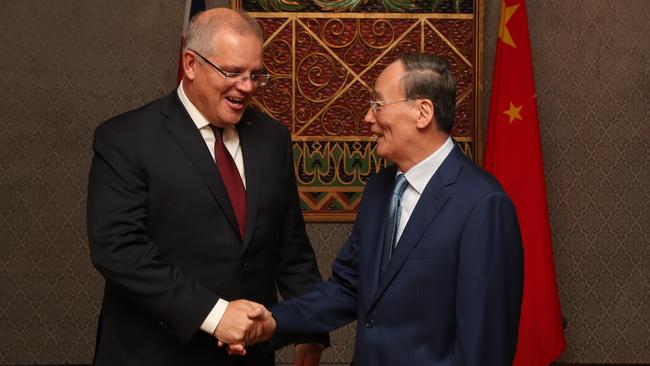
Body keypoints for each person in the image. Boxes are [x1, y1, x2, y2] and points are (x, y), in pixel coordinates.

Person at [239, 53, 525, 365]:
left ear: (422, 112)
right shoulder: (379, 189)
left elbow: (484, 349)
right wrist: (273, 322)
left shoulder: (483, 205)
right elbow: (348, 288)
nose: (367, 118)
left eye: (377, 105)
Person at [87, 8, 327, 366]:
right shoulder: (126, 138)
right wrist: (215, 315)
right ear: (190, 64)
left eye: (255, 74)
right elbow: (119, 249)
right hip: (153, 354)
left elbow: (290, 246)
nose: (246, 86)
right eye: (232, 72)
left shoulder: (272, 137)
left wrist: (311, 330)